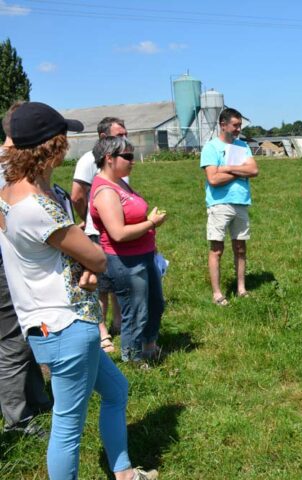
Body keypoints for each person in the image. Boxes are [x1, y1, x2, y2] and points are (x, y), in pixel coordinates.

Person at [0, 101, 157, 479]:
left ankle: (122, 472)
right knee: (67, 426)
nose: (68, 144)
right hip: (65, 325)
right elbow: (99, 258)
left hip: (56, 320)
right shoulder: (38, 206)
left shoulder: (11, 194)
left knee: (116, 390)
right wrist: (88, 264)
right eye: (63, 137)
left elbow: (53, 254)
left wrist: (82, 266)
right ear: (51, 146)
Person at [0, 101, 52, 436]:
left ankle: (38, 399)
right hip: (4, 264)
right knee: (11, 344)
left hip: (13, 261)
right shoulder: (4, 167)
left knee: (25, 337)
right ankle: (17, 420)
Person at [90, 136, 166, 364]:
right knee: (135, 310)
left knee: (155, 303)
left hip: (143, 254)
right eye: (128, 156)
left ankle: (149, 346)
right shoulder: (105, 191)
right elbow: (118, 233)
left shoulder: (119, 182)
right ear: (109, 158)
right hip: (125, 260)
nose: (132, 161)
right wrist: (152, 223)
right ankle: (132, 359)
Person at [71, 117, 128, 353]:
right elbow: (76, 195)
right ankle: (102, 332)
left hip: (120, 230)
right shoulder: (88, 160)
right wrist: (89, 218)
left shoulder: (120, 159)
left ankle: (118, 323)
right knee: (101, 285)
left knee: (117, 281)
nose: (125, 138)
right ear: (104, 137)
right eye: (119, 135)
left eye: (125, 134)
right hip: (100, 233)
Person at [200, 108, 259, 305]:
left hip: (241, 202)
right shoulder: (211, 148)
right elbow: (213, 179)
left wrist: (227, 168)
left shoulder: (242, 146)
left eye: (240, 125)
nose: (238, 129)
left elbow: (254, 169)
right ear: (223, 125)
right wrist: (240, 172)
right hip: (219, 204)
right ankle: (217, 293)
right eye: (235, 125)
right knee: (217, 248)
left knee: (240, 248)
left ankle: (241, 288)